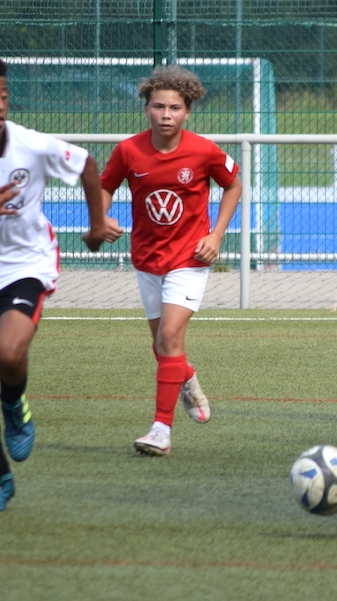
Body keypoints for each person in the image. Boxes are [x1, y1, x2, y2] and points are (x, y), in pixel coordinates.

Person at [0, 54, 107, 511]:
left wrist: (96, 226)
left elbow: (87, 164)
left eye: (4, 95)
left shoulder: (30, 144)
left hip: (27, 264)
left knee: (8, 352)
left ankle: (14, 401)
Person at [96, 65, 242, 457]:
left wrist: (216, 235)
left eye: (175, 108)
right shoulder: (128, 151)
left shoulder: (204, 150)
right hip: (147, 259)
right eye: (158, 106)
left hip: (190, 259)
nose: (166, 114)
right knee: (162, 346)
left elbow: (233, 185)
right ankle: (186, 377)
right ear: (146, 108)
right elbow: (105, 186)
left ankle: (161, 431)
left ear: (187, 112)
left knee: (170, 337)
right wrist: (101, 217)